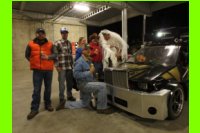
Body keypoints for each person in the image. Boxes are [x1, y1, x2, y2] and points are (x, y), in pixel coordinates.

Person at [56, 47, 113, 114]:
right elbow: (76, 75)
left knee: (84, 103)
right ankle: (102, 108)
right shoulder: (79, 62)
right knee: (103, 86)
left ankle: (65, 104)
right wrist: (90, 72)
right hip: (84, 84)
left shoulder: (88, 60)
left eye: (89, 49)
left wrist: (93, 74)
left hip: (87, 82)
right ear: (82, 52)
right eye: (86, 49)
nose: (89, 51)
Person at [25, 28, 56, 120]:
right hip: (37, 71)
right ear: (36, 34)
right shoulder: (31, 44)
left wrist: (48, 57)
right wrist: (33, 62)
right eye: (39, 33)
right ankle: (34, 109)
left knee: (48, 88)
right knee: (36, 90)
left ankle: (48, 104)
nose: (41, 34)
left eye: (42, 33)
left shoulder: (50, 44)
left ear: (45, 34)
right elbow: (27, 55)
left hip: (48, 70)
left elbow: (55, 54)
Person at [53, 27, 76, 111]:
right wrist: (56, 66)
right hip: (62, 67)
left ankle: (69, 96)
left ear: (67, 33)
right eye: (63, 32)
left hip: (69, 66)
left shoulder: (69, 43)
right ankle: (61, 99)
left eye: (66, 32)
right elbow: (54, 56)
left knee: (70, 83)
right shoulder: (57, 43)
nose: (65, 34)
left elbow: (70, 54)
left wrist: (72, 65)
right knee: (61, 84)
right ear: (61, 33)